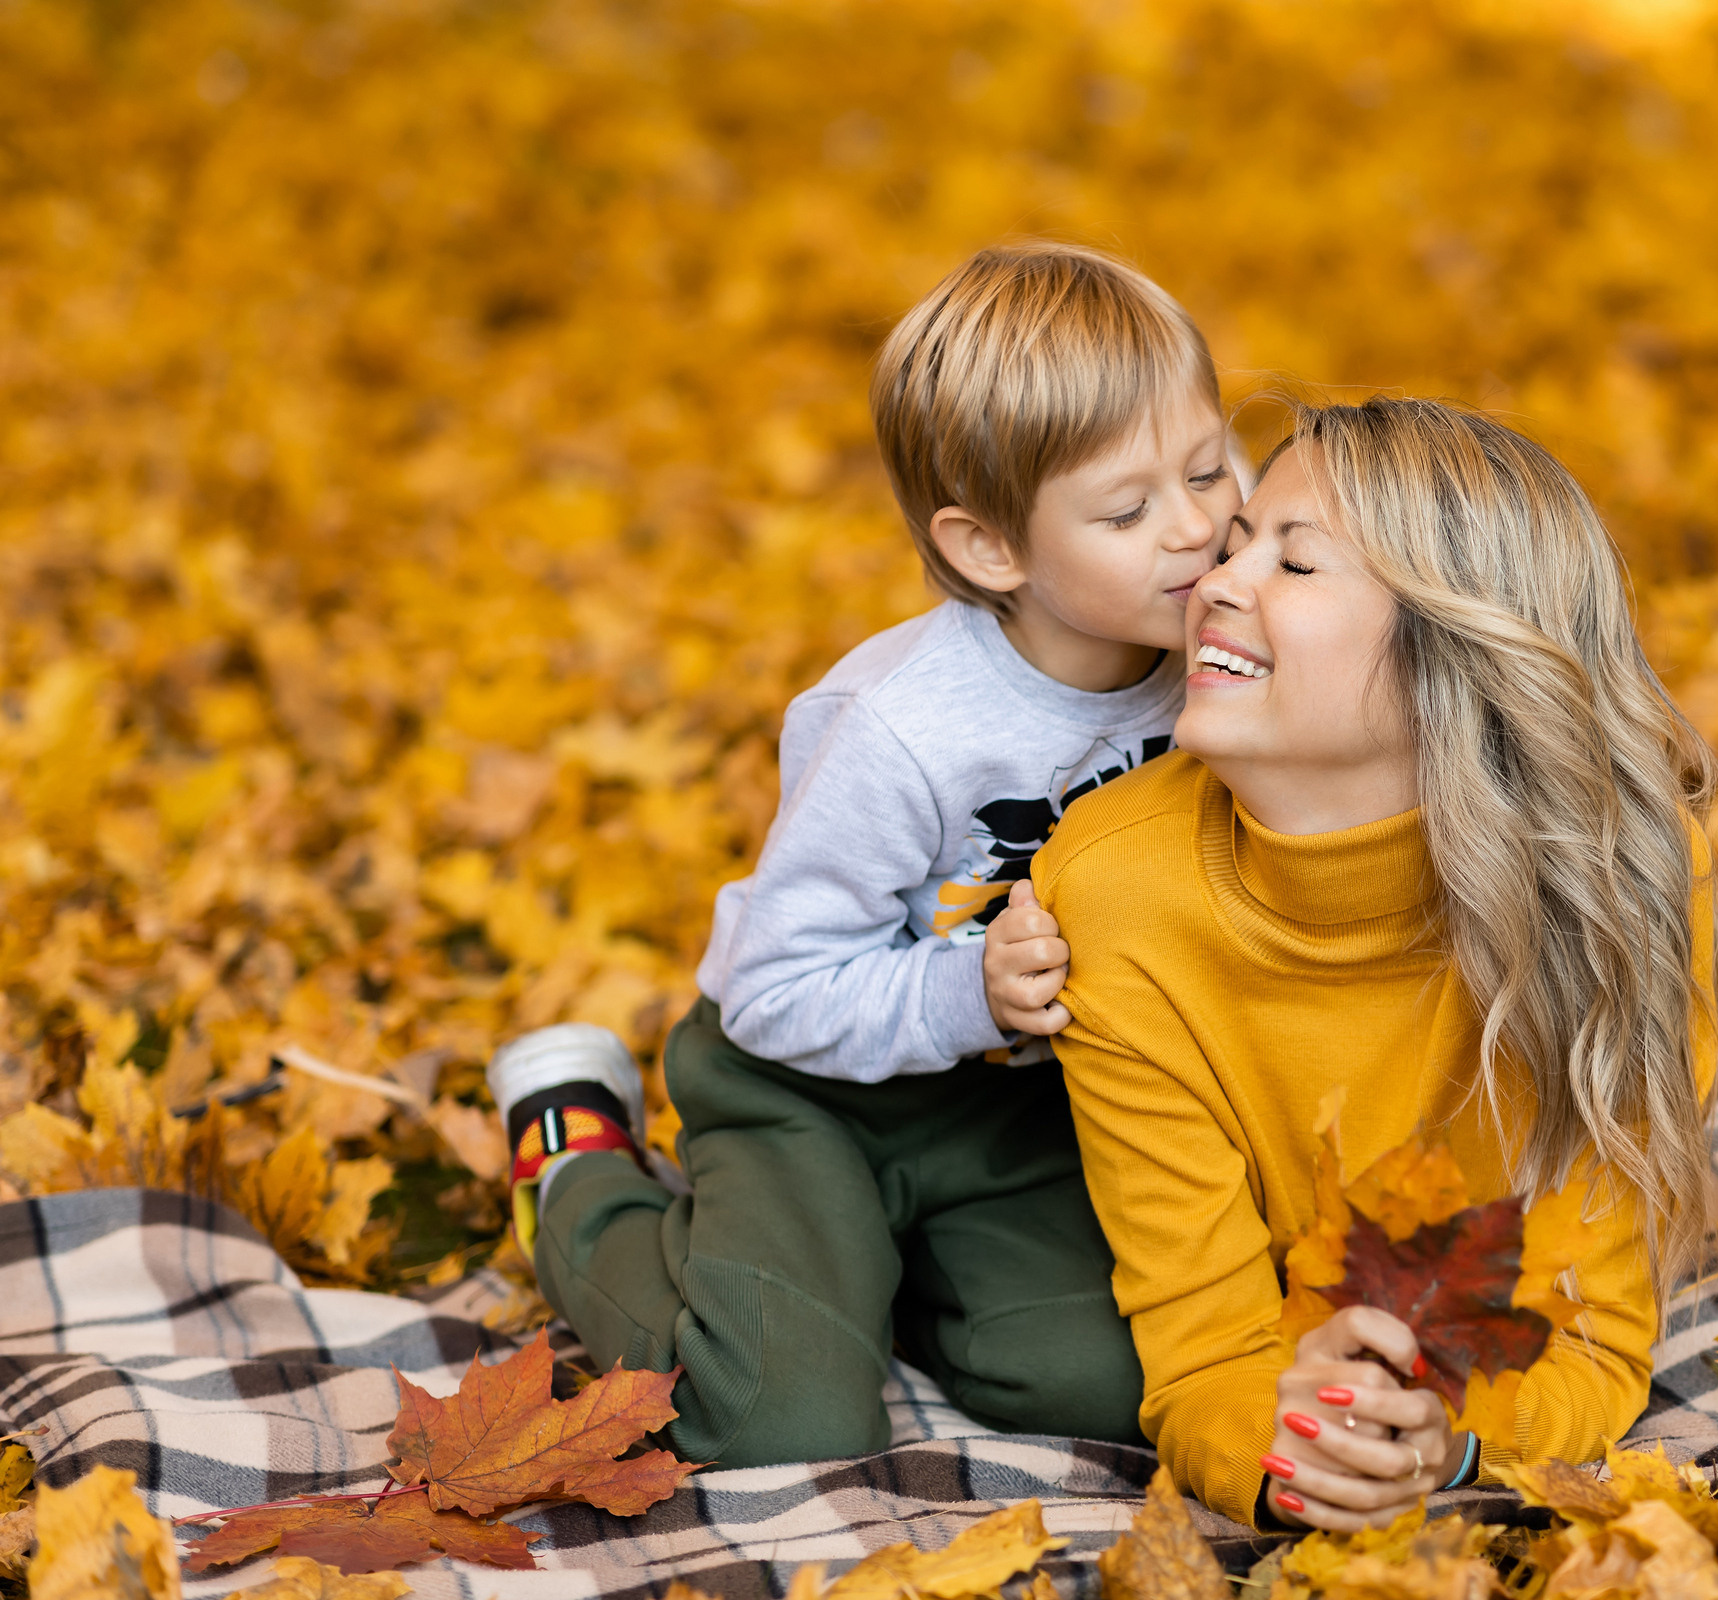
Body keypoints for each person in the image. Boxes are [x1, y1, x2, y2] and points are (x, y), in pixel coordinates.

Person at [480, 243, 1243, 1468]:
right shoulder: (899, 726)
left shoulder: (1220, 663)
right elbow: (776, 987)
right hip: (812, 1089)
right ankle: (576, 1165)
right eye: (1129, 509)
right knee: (779, 1414)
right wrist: (963, 989)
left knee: (1108, 1383)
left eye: (1211, 467)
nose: (1200, 525)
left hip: (1014, 1110)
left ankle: (870, 1279)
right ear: (994, 549)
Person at [1022, 397, 1718, 1529]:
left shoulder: (1618, 877)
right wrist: (1293, 1450)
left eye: (1294, 562)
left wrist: (1438, 1449)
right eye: (1236, 538)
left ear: (1459, 648)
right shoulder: (1113, 890)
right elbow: (1205, 1349)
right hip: (893, 1097)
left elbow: (1594, 1339)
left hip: (1423, 1368)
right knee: (1032, 1360)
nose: (1217, 580)